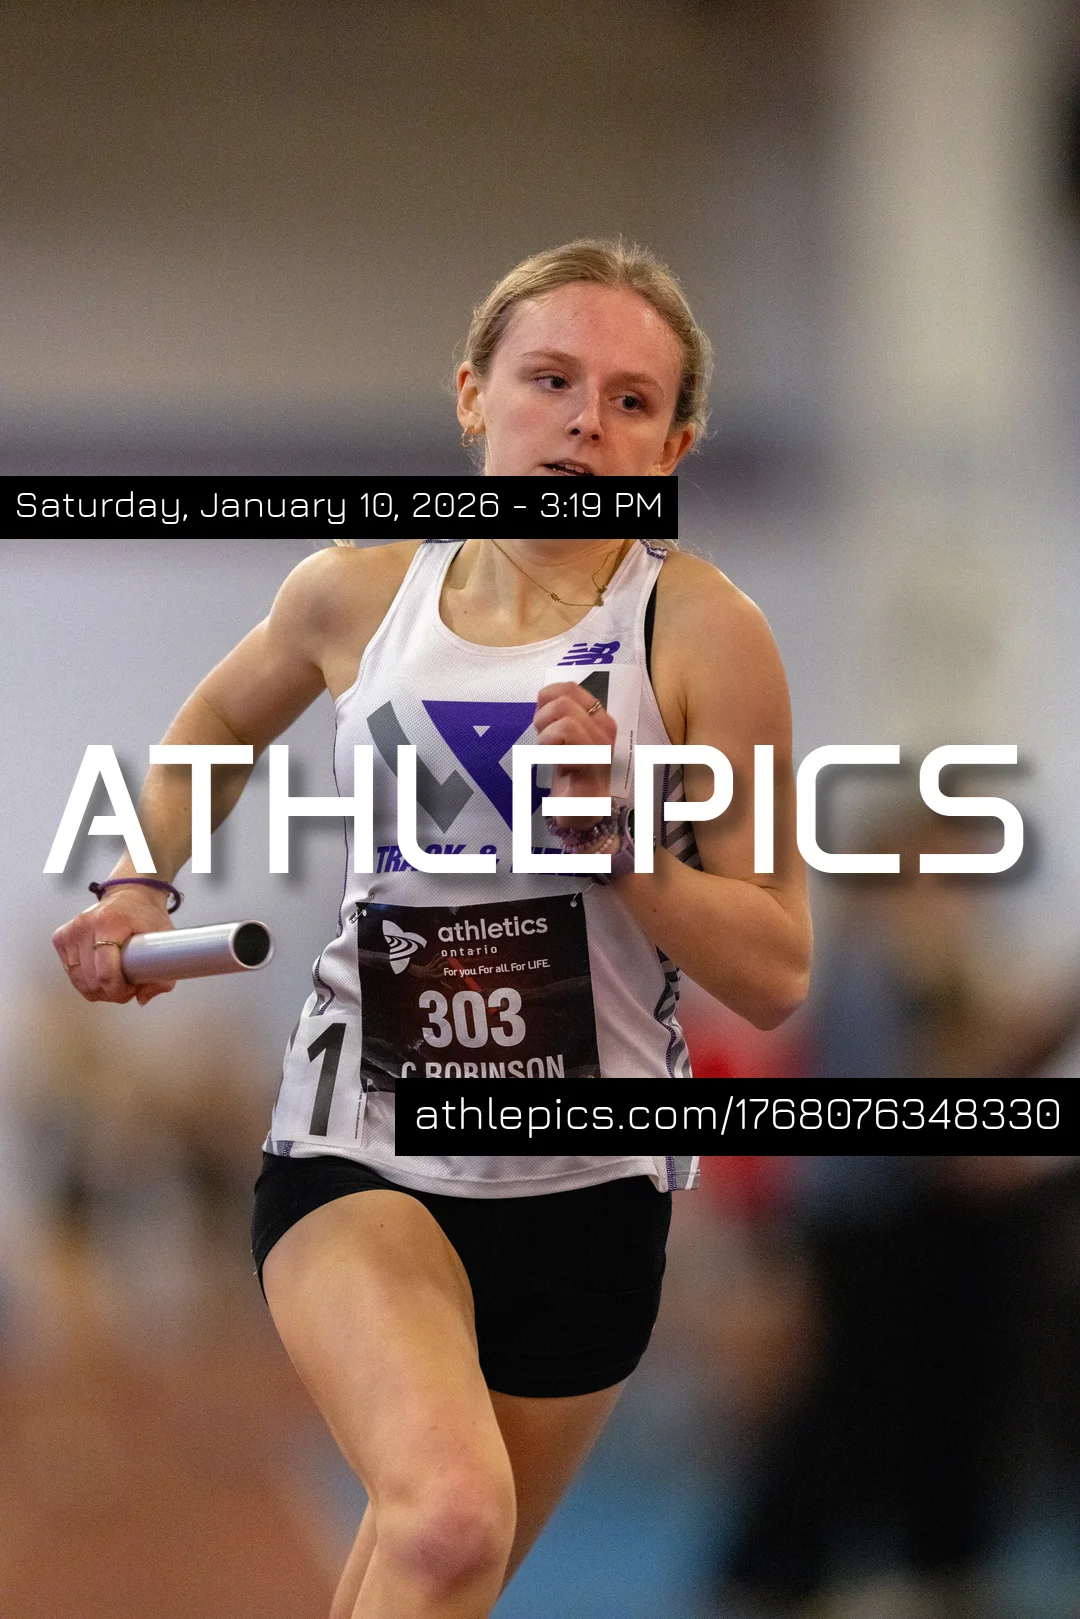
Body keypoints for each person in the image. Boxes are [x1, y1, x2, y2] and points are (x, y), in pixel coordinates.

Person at [53, 238, 812, 1619]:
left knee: (428, 1566)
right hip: (362, 1145)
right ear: (473, 394)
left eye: (631, 400)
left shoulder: (705, 635)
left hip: (590, 1188)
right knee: (452, 1516)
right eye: (550, 379)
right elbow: (219, 718)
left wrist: (625, 848)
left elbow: (774, 968)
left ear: (675, 447)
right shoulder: (359, 590)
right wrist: (137, 881)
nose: (584, 423)